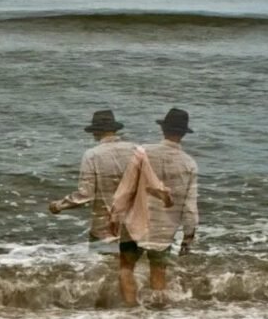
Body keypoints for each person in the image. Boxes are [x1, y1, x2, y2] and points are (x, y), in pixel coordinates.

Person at [114, 107, 198, 304]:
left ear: (163, 129)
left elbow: (125, 188)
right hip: (164, 229)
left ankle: (131, 310)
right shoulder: (189, 164)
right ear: (184, 134)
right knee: (159, 271)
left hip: (135, 222)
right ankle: (157, 314)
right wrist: (188, 236)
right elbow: (190, 207)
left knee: (126, 268)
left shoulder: (142, 153)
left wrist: (116, 215)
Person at [48, 110, 136, 251]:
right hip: (134, 226)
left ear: (95, 131)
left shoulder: (92, 155)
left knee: (102, 263)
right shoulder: (136, 150)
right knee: (130, 263)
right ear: (115, 129)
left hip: (105, 228)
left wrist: (59, 206)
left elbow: (85, 195)